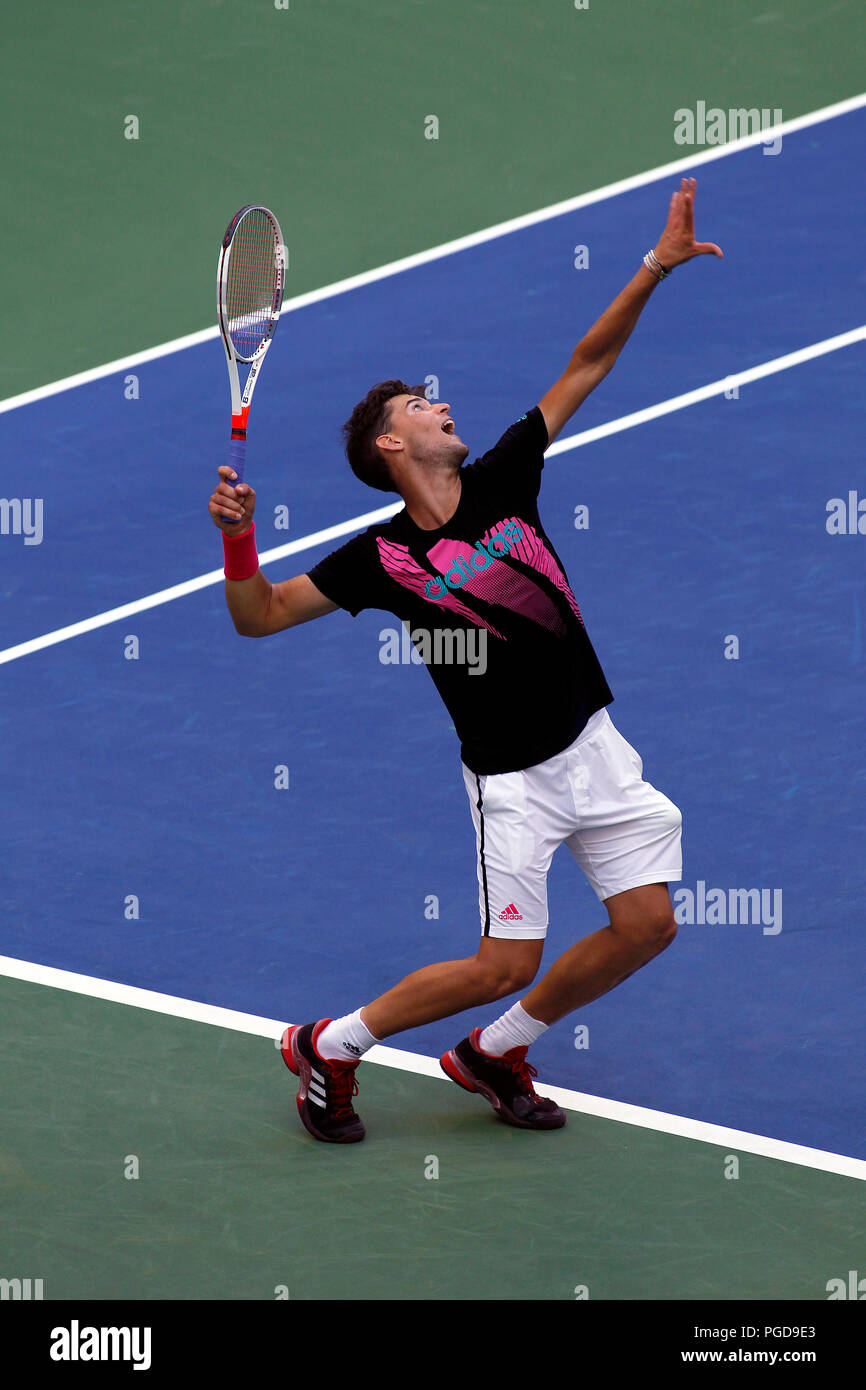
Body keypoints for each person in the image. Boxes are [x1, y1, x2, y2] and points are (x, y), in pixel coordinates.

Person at [209, 177, 722, 1144]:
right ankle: (330, 1043)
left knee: (649, 924)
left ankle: (494, 1052)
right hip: (516, 782)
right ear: (391, 444)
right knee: (501, 963)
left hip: (594, 746)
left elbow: (587, 363)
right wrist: (239, 541)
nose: (441, 406)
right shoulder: (381, 557)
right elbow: (261, 616)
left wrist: (654, 267)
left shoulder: (504, 481)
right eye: (418, 404)